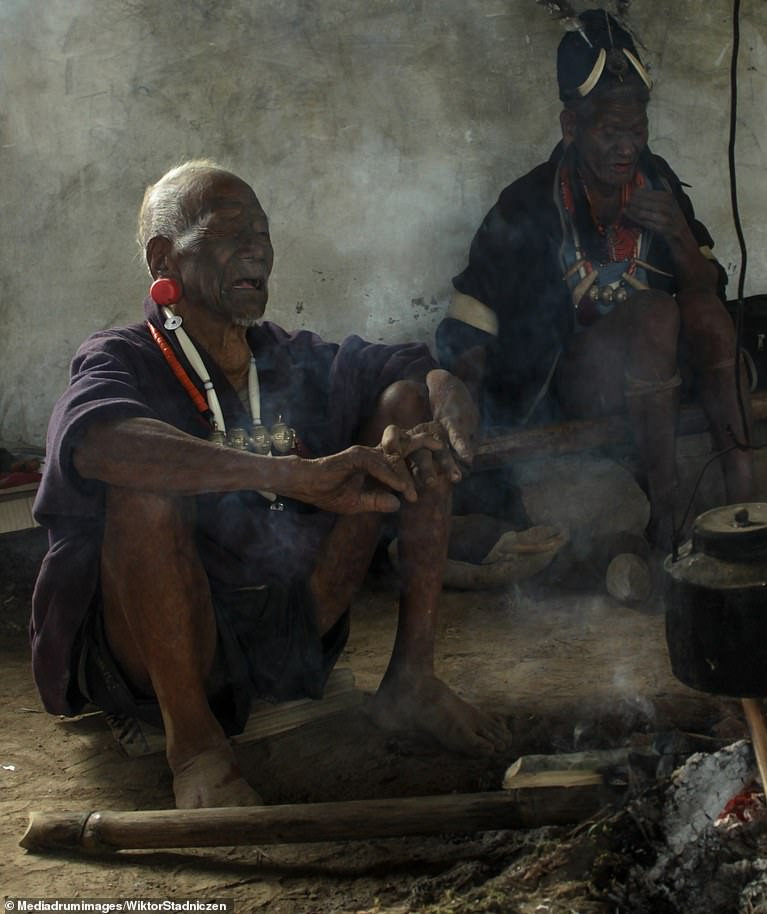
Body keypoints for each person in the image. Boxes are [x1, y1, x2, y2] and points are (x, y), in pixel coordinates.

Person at [30, 160, 510, 809]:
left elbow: (399, 365)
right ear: (164, 258)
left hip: (290, 628)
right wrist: (296, 477)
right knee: (144, 484)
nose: (257, 248)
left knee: (406, 408)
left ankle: (412, 680)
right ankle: (194, 745)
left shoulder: (285, 355)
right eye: (231, 231)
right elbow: (96, 442)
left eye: (262, 232)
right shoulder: (122, 357)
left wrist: (443, 385)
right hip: (171, 640)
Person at [436, 10, 754, 597]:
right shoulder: (527, 205)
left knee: (700, 311)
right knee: (656, 312)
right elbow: (467, 327)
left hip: (663, 378)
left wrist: (679, 235)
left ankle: (746, 497)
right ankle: (668, 514)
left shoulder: (656, 181)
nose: (627, 146)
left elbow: (708, 292)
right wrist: (468, 410)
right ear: (571, 126)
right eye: (610, 131)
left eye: (638, 128)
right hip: (574, 388)